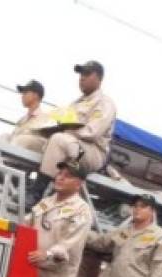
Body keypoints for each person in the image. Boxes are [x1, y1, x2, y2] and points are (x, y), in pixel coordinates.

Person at [26, 61, 117, 209]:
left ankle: (37, 192)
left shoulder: (105, 103)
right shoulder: (75, 103)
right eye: (81, 74)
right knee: (29, 140)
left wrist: (63, 130)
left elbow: (92, 133)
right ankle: (8, 177)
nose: (82, 77)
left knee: (59, 139)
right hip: (70, 144)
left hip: (92, 152)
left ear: (99, 78)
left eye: (87, 74)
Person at [2, 79, 51, 153]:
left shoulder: (45, 119)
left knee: (22, 139)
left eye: (25, 93)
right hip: (15, 151)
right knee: (5, 136)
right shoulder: (22, 120)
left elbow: (45, 144)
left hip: (29, 158)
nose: (22, 96)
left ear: (35, 95)